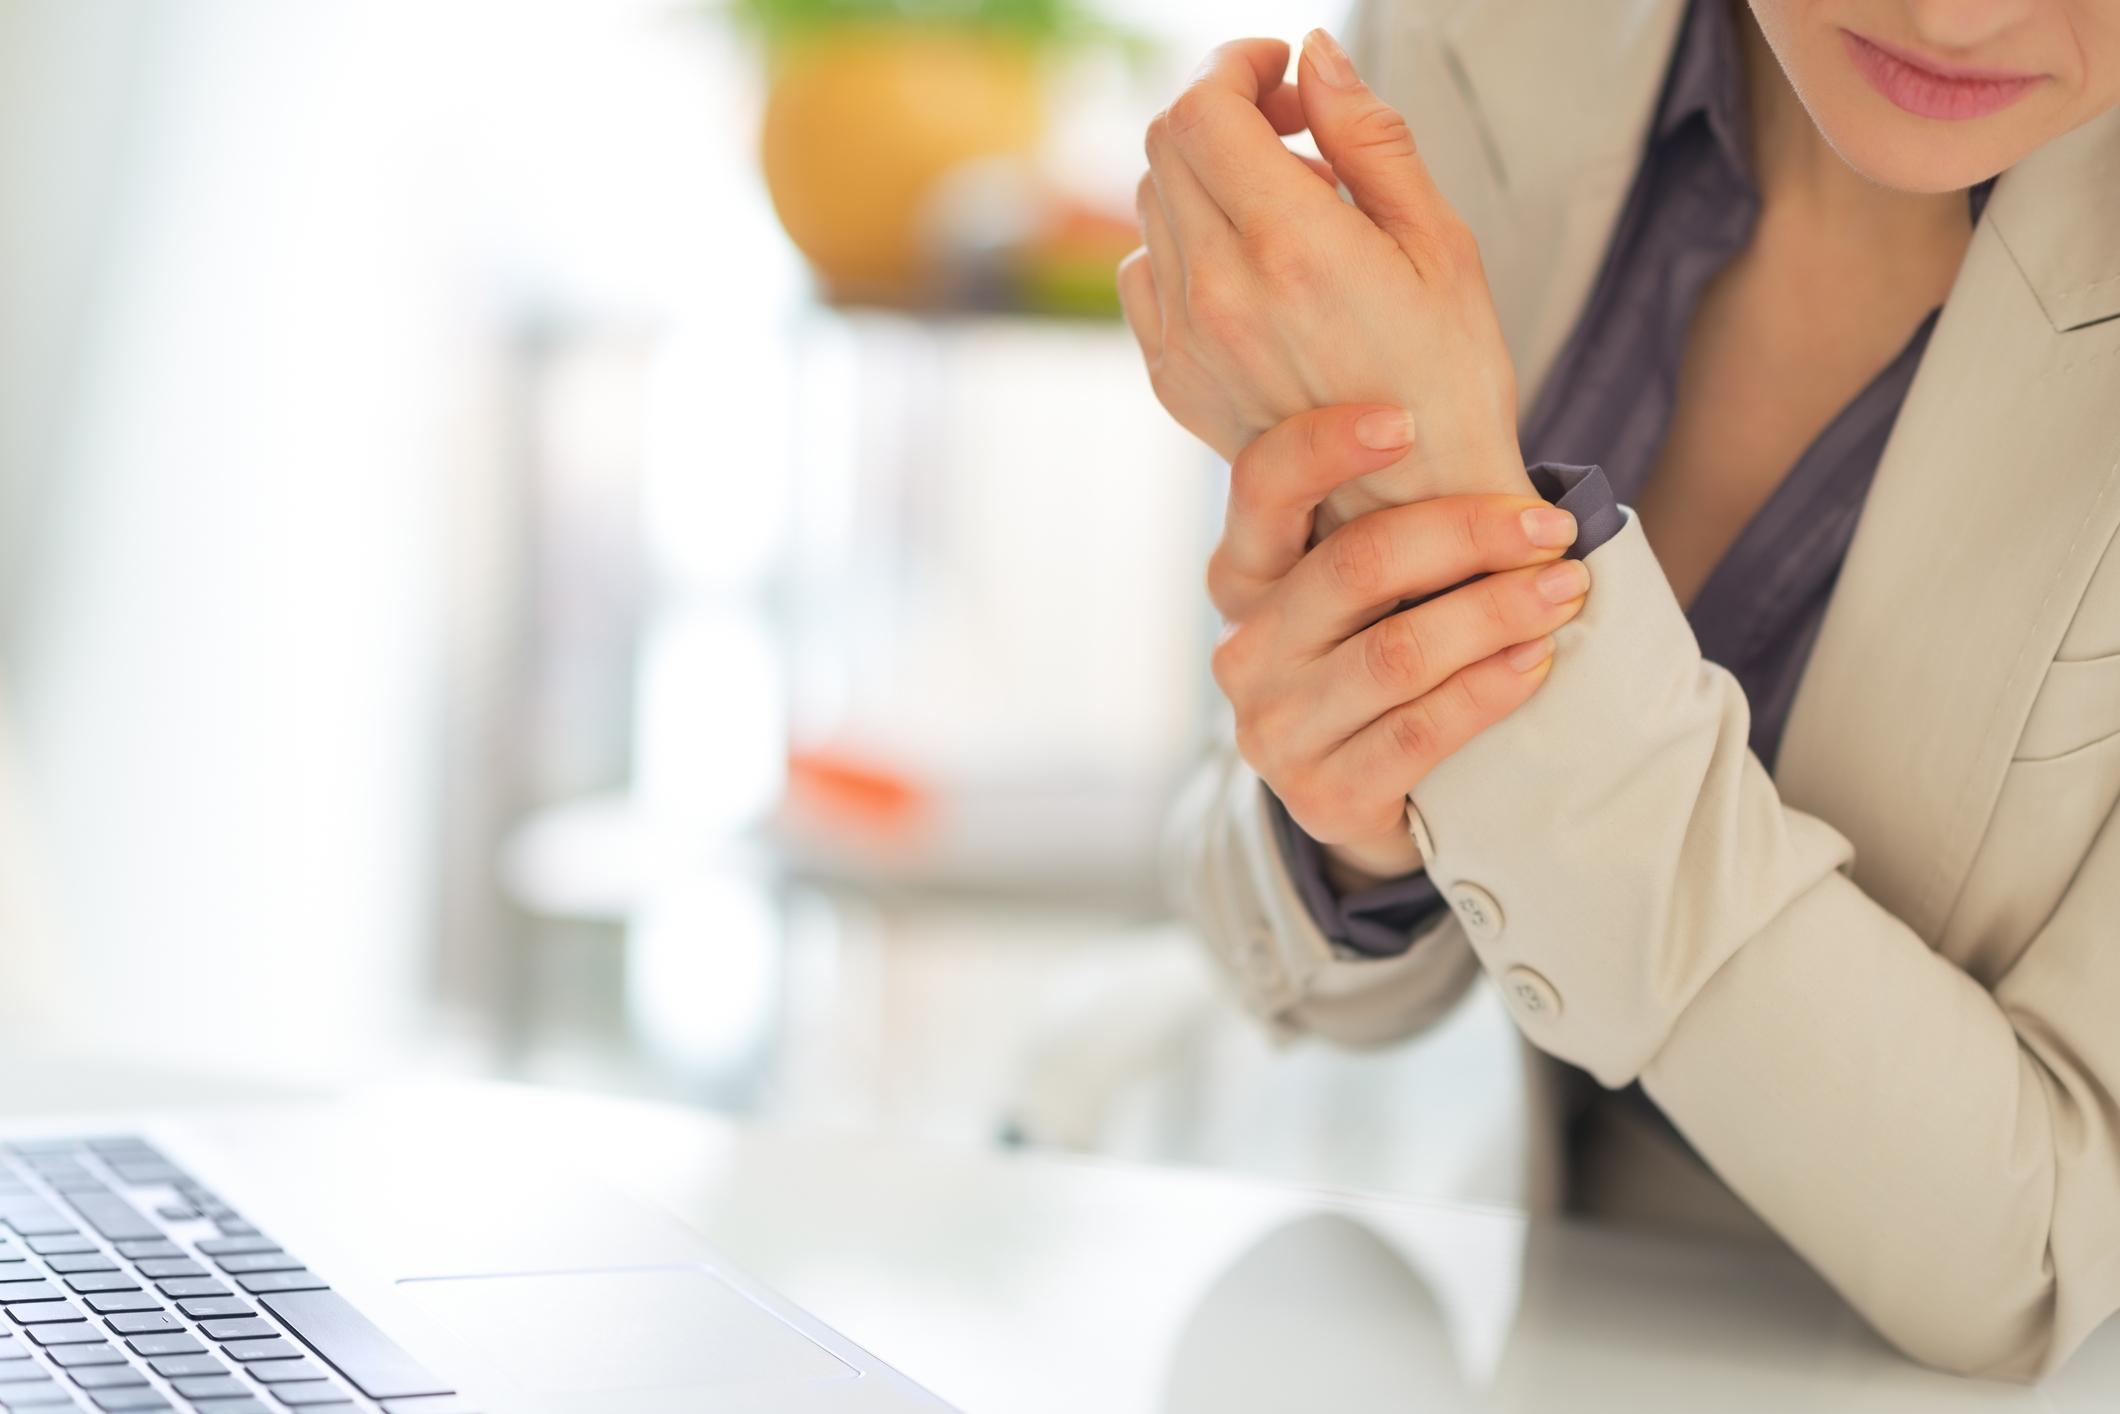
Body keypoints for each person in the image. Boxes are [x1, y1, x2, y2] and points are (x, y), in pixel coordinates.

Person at [1119, 0, 2120, 1381]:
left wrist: (1461, 528)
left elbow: (2050, 1255)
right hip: (1529, 1322)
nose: (1954, 15)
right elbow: (1247, 896)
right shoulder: (1478, 37)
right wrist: (1363, 802)